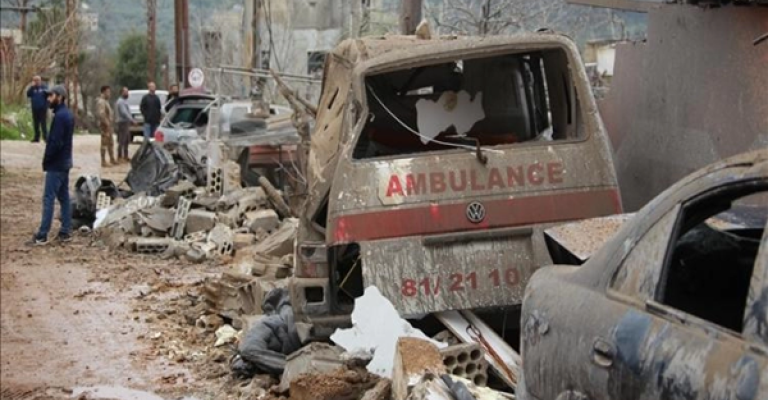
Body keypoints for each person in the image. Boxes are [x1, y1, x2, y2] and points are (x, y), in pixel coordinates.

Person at [27, 85, 74, 246]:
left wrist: (47, 159)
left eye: (51, 96)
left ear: (59, 97)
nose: (48, 99)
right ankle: (65, 231)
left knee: (48, 198)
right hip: (65, 162)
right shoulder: (67, 114)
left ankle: (42, 235)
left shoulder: (60, 117)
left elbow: (55, 142)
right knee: (64, 197)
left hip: (57, 164)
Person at [97, 85, 116, 167]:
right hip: (105, 126)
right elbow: (101, 114)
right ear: (104, 92)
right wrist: (106, 123)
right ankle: (103, 161)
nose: (109, 94)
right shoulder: (101, 101)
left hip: (109, 126)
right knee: (104, 144)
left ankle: (112, 158)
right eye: (108, 92)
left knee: (110, 143)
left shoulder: (106, 101)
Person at [115, 87, 135, 163]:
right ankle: (119, 156)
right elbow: (124, 113)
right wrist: (132, 120)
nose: (127, 93)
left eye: (127, 92)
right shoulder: (120, 102)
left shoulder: (124, 101)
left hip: (126, 122)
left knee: (126, 140)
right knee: (122, 140)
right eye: (126, 92)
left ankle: (125, 156)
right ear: (121, 93)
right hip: (122, 123)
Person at [26, 75, 49, 143]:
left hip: (42, 109)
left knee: (43, 123)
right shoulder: (32, 88)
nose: (36, 82)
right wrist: (31, 87)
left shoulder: (44, 87)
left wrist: (46, 106)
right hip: (35, 108)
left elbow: (48, 97)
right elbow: (28, 94)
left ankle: (45, 137)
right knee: (36, 123)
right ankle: (36, 137)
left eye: (37, 80)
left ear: (40, 80)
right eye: (35, 80)